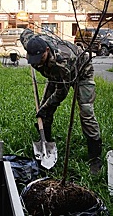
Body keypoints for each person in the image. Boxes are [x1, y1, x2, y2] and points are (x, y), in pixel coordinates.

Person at [20, 29, 102, 175]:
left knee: (86, 112)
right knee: (44, 110)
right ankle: (45, 140)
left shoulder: (62, 62)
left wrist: (45, 107)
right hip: (55, 74)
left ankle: (95, 158)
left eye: (40, 58)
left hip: (82, 72)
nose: (37, 64)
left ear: (46, 50)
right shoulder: (30, 42)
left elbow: (60, 93)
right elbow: (25, 32)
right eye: (33, 59)